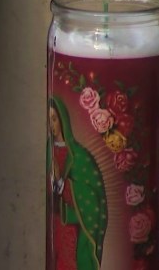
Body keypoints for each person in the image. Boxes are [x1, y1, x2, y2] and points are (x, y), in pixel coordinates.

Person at [47, 97, 107, 270]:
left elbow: (92, 198)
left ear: (62, 119)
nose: (51, 124)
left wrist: (61, 183)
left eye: (54, 118)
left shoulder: (79, 156)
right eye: (48, 119)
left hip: (71, 230)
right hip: (52, 228)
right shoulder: (47, 151)